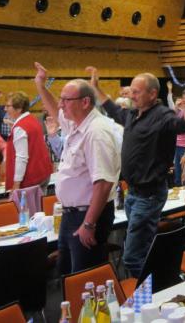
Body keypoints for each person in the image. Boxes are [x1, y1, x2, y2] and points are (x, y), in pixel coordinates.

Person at [91, 67, 185, 278]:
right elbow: (112, 108)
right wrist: (96, 88)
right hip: (132, 194)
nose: (131, 95)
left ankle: (155, 289)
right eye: (130, 91)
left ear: (152, 94)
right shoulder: (133, 115)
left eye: (136, 92)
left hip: (149, 194)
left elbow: (182, 125)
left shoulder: (162, 115)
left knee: (132, 257)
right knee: (144, 247)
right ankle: (160, 285)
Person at [34, 63, 122, 275]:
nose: (61, 104)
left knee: (84, 280)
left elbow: (103, 183)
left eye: (66, 99)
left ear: (85, 102)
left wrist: (89, 224)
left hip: (88, 216)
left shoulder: (96, 132)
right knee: (67, 274)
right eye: (62, 98)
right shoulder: (77, 123)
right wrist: (40, 85)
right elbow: (55, 111)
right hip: (71, 214)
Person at [4, 91, 54, 191]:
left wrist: (16, 184)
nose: (5, 109)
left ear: (19, 109)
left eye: (8, 106)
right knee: (39, 206)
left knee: (27, 207)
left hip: (30, 179)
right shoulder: (32, 119)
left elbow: (22, 157)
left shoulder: (20, 128)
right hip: (42, 173)